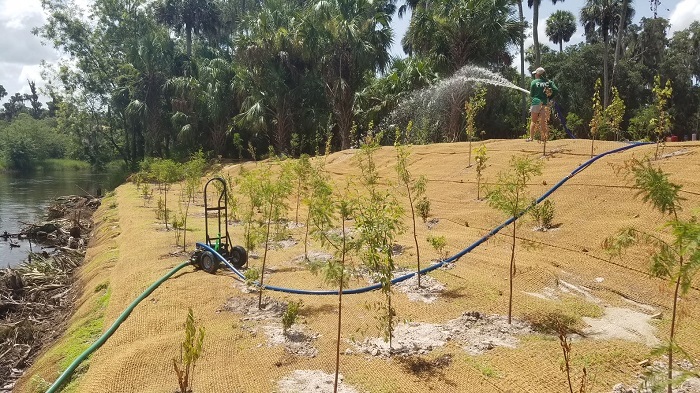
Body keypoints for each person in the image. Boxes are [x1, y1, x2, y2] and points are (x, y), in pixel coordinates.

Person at [528, 67, 558, 142]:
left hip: (535, 102)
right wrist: (550, 96)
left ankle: (531, 138)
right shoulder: (549, 82)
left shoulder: (534, 82)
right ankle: (544, 139)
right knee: (543, 122)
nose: (535, 75)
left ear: (538, 74)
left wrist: (536, 94)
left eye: (535, 74)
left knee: (533, 121)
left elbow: (531, 94)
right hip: (544, 103)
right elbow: (556, 90)